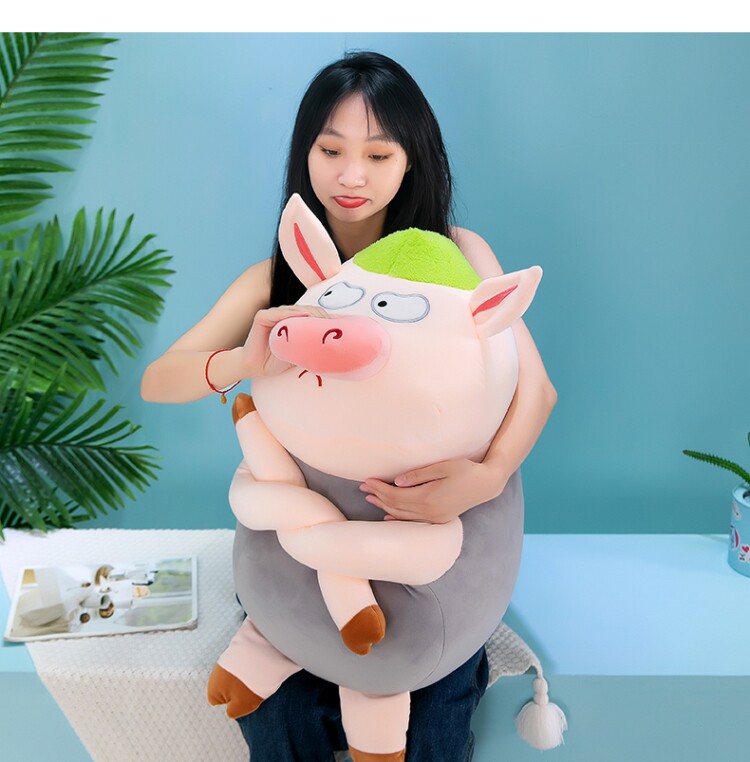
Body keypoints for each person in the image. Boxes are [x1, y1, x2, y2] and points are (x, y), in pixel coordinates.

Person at [141, 50, 556, 762]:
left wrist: (486, 479)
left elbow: (535, 387)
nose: (351, 175)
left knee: (432, 713)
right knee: (280, 714)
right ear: (304, 155)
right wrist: (244, 360)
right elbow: (159, 380)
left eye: (378, 154)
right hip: (306, 554)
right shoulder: (275, 278)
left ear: (412, 162)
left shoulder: (457, 256)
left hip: (419, 540)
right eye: (330, 150)